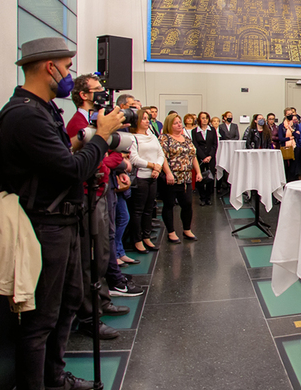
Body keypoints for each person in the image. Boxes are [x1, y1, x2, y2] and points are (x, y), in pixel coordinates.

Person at [0, 37, 125, 390]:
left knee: (69, 301)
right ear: (49, 67)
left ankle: (55, 374)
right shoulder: (25, 115)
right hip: (45, 224)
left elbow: (58, 156)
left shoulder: (42, 110)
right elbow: (70, 171)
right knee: (40, 318)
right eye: (67, 67)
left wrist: (79, 141)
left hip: (64, 220)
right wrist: (101, 137)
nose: (70, 75)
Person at [65, 74, 134, 338]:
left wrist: (110, 164)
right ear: (83, 95)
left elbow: (115, 149)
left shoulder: (98, 122)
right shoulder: (77, 123)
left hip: (102, 187)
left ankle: (102, 300)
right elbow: (83, 158)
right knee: (89, 255)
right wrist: (105, 161)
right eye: (97, 91)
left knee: (103, 249)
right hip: (86, 193)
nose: (103, 95)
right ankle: (88, 315)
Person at [160, 113, 202, 243]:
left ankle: (187, 229)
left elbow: (193, 155)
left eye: (179, 122)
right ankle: (171, 232)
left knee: (187, 204)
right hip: (172, 177)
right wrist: (168, 173)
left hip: (186, 177)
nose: (179, 125)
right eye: (176, 123)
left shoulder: (186, 138)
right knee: (169, 204)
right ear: (169, 125)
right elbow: (162, 157)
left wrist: (198, 172)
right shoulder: (164, 138)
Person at [128, 108, 165, 254]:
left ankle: (147, 236)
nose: (147, 121)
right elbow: (134, 159)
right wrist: (152, 165)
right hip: (140, 177)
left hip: (153, 177)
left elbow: (160, 153)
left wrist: (158, 167)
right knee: (138, 210)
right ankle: (137, 240)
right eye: (143, 118)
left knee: (149, 209)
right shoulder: (132, 137)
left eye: (147, 118)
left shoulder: (151, 135)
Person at [191, 111, 218, 205]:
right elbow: (195, 145)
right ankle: (202, 197)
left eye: (206, 118)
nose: (205, 120)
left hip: (211, 157)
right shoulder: (194, 131)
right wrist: (203, 157)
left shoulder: (212, 130)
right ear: (199, 119)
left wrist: (210, 156)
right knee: (200, 177)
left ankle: (208, 197)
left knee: (211, 177)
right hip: (200, 158)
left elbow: (215, 144)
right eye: (202, 118)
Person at [276, 111, 301, 180]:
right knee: (286, 166)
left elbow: (298, 136)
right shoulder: (281, 126)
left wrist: (291, 129)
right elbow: (281, 138)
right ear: (285, 115)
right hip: (285, 147)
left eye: (291, 114)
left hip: (294, 147)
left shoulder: (295, 125)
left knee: (294, 167)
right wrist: (290, 138)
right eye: (288, 114)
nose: (290, 115)